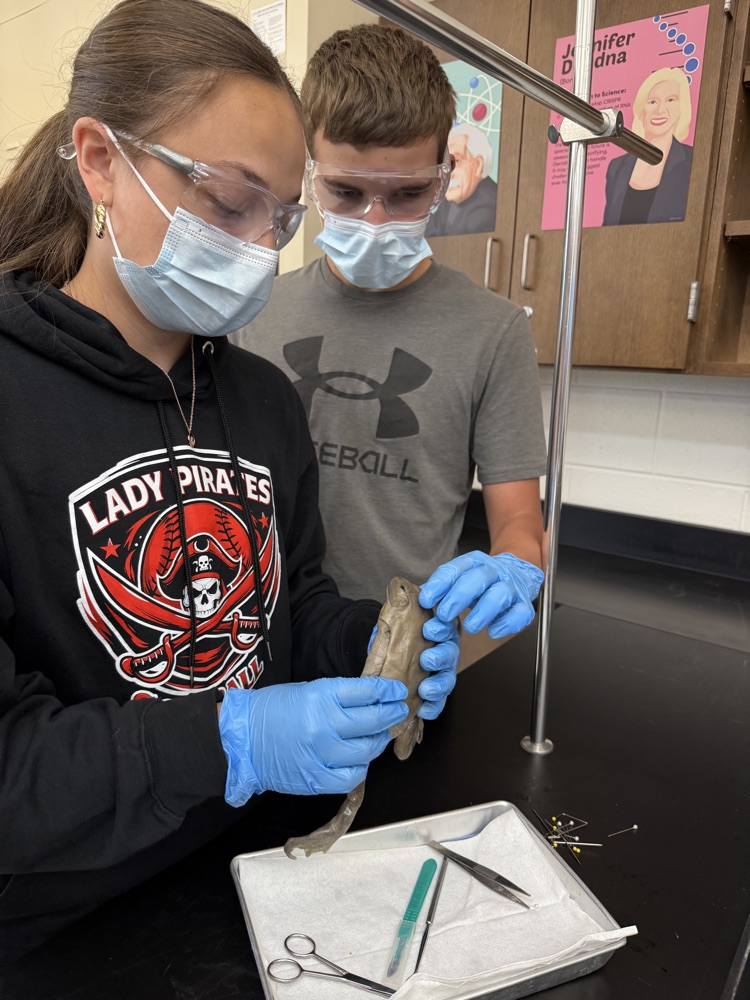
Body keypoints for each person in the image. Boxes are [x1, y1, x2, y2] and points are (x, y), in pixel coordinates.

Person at [0, 0, 460, 962]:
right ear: (97, 160)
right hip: (66, 918)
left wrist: (389, 642)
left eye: (281, 216)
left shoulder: (262, 400)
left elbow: (295, 612)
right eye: (225, 201)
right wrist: (233, 738)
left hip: (251, 866)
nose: (257, 248)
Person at [232, 25, 547, 671]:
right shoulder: (247, 309)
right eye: (346, 193)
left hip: (399, 649)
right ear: (307, 172)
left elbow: (519, 520)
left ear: (445, 176)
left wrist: (513, 568)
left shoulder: (492, 331)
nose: (375, 221)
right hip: (258, 639)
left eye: (407, 195)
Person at [603, 67, 694, 226]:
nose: (660, 110)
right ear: (642, 109)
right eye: (652, 102)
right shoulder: (616, 168)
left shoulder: (692, 161)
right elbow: (607, 228)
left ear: (681, 108)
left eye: (671, 100)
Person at [425, 123, 499, 237]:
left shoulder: (488, 207)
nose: (448, 174)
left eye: (457, 161)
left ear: (478, 165)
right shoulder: (456, 196)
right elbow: (432, 229)